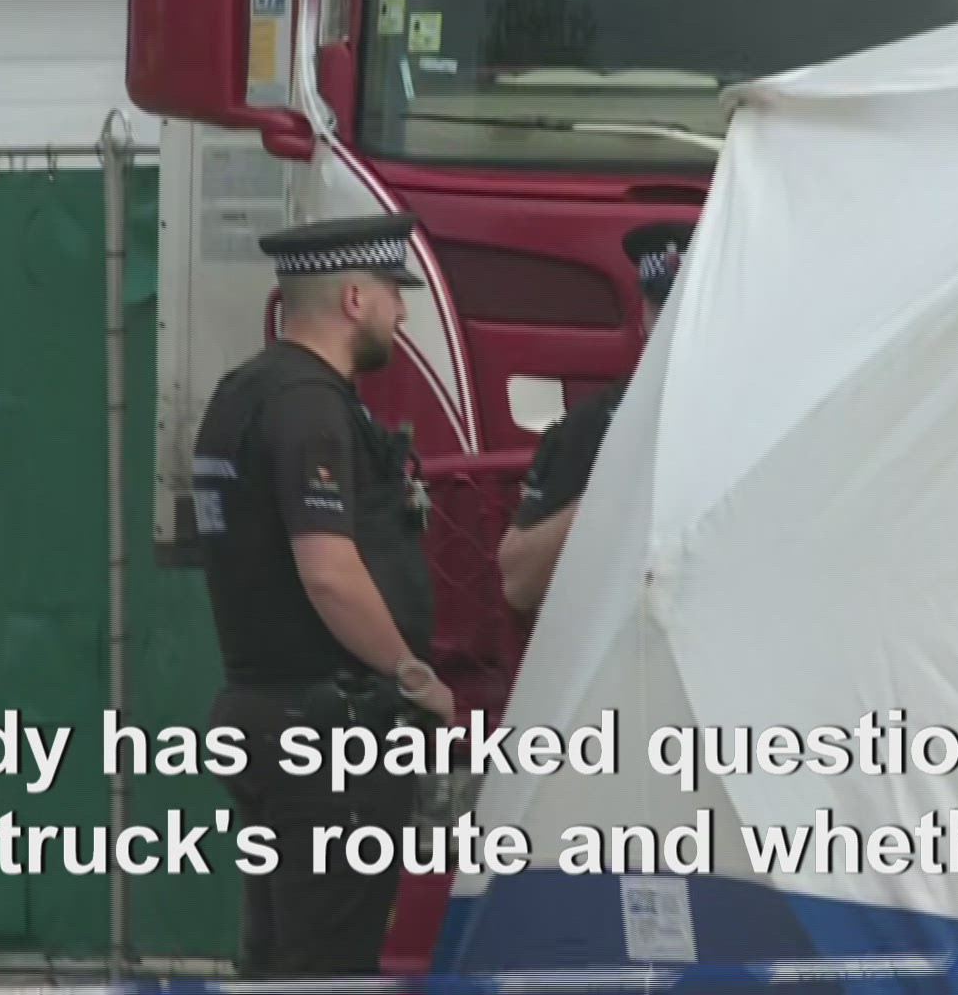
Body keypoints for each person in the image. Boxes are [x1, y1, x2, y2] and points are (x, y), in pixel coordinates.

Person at [189, 211, 457, 981]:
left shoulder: (241, 393)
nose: (401, 312)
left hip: (266, 715)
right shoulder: (311, 408)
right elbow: (329, 572)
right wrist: (414, 676)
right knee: (330, 969)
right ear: (353, 299)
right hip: (329, 735)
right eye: (392, 293)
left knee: (278, 963)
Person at [498, 220, 693, 613]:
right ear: (644, 315)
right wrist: (610, 492)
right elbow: (518, 583)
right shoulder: (598, 422)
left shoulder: (762, 417)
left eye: (688, 306)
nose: (673, 323)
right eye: (663, 306)